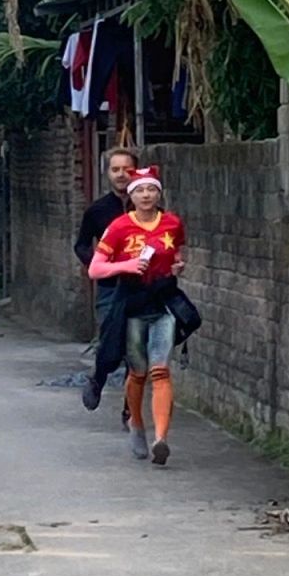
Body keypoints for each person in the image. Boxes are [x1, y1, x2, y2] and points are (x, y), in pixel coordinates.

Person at [84, 165, 201, 467]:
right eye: (140, 190)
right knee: (138, 372)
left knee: (160, 370)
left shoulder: (172, 223)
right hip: (132, 303)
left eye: (151, 189)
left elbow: (177, 254)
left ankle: (161, 439)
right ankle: (136, 423)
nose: (146, 195)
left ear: (159, 194)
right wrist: (126, 266)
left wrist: (178, 266)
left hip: (163, 301)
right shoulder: (120, 227)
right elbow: (95, 269)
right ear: (131, 196)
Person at [74, 146, 137, 428]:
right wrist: (98, 264)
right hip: (111, 287)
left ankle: (130, 409)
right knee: (111, 344)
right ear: (107, 173)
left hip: (141, 288)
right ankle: (98, 378)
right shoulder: (98, 211)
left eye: (127, 169)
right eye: (115, 169)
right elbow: (81, 245)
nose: (121, 174)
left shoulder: (148, 209)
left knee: (136, 349)